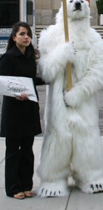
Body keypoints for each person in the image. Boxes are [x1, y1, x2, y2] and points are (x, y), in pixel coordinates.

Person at [0, 22, 43, 199]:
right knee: (13, 151)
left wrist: (52, 78)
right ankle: (13, 188)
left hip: (29, 108)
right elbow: (3, 82)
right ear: (14, 37)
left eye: (28, 34)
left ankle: (26, 185)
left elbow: (32, 80)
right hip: (14, 110)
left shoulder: (30, 57)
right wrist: (14, 94)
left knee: (27, 150)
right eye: (22, 34)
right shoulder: (8, 57)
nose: (26, 37)